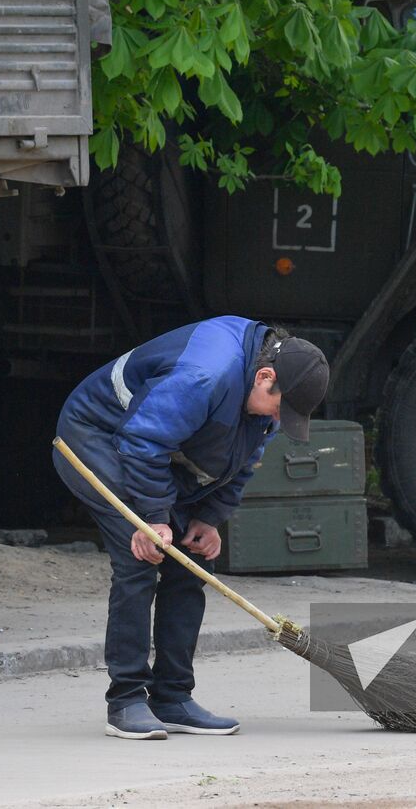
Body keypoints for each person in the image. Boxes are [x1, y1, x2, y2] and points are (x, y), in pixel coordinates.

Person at [52, 316, 330, 740]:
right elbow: (143, 442)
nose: (277, 418)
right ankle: (126, 701)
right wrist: (153, 520)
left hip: (157, 450)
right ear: (266, 376)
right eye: (278, 407)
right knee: (140, 554)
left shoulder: (267, 397)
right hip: (100, 438)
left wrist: (209, 518)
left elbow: (242, 460)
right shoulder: (205, 374)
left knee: (193, 559)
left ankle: (173, 698)